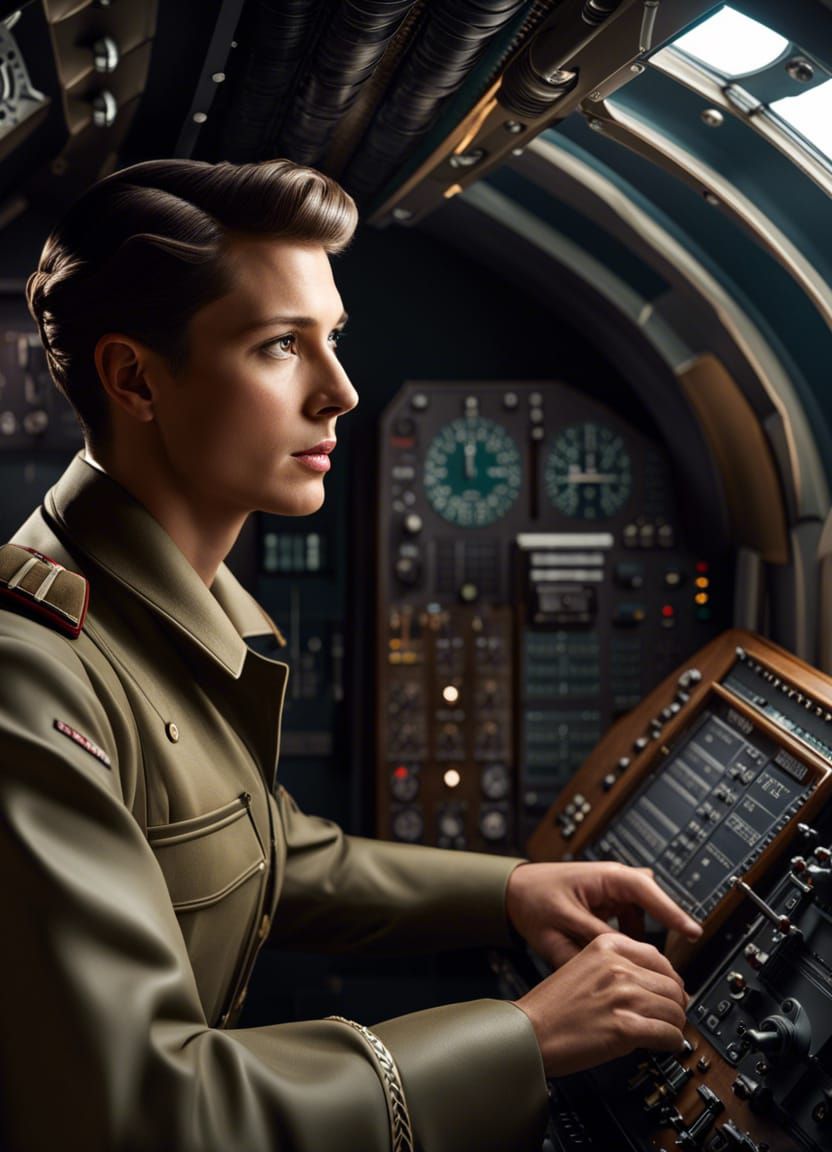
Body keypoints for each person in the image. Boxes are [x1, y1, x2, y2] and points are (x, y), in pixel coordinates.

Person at [0, 158, 701, 1152]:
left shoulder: (148, 615)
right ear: (134, 377)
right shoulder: (32, 676)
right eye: (280, 346)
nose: (339, 392)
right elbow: (141, 1109)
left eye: (332, 339)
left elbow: (252, 850)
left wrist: (505, 893)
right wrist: (524, 1038)